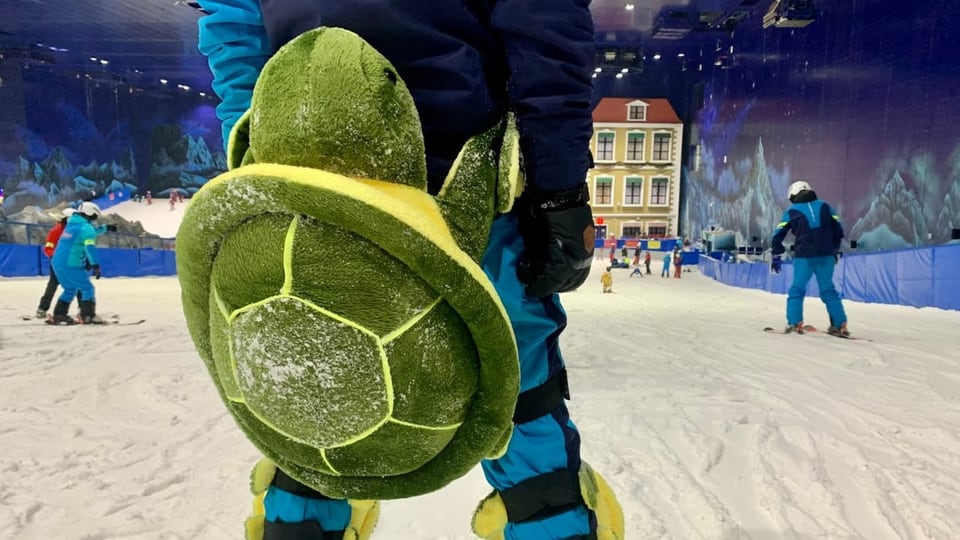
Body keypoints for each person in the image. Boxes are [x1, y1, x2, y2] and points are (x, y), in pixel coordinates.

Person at [196, 2, 622, 540]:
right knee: (521, 400)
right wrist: (557, 187)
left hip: (305, 183)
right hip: (458, 190)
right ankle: (550, 522)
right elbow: (543, 20)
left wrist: (259, 152)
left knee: (318, 397)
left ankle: (301, 524)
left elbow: (233, 24)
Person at [771, 180, 849, 336]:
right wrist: (834, 248)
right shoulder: (826, 206)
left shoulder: (792, 211)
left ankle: (795, 323)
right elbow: (839, 230)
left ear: (793, 195)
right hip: (826, 257)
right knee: (828, 290)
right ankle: (839, 325)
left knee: (797, 290)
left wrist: (776, 253)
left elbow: (778, 234)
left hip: (804, 257)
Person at [50, 202, 106, 325]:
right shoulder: (86, 228)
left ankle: (59, 315)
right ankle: (88, 316)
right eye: (95, 216)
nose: (95, 220)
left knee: (70, 289)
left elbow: (87, 232)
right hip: (71, 262)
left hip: (56, 262)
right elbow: (89, 246)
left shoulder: (72, 224)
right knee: (87, 288)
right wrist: (95, 264)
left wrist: (105, 228)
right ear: (90, 213)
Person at [35, 208, 77, 319]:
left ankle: (84, 310)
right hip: (58, 264)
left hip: (70, 263)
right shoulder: (56, 231)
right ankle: (42, 309)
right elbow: (48, 248)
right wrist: (55, 256)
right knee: (52, 286)